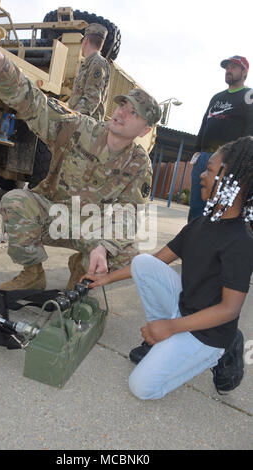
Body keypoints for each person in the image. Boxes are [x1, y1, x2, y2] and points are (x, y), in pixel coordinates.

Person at [0, 3, 161, 290]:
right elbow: (34, 103)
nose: (122, 112)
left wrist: (103, 246)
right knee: (15, 202)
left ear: (145, 130)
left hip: (90, 228)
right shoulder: (80, 128)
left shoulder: (139, 164)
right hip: (54, 216)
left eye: (134, 113)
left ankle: (82, 271)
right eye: (123, 105)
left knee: (126, 254)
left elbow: (129, 215)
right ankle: (32, 274)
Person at [82, 136, 253, 399]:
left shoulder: (241, 241)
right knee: (143, 263)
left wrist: (170, 327)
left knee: (141, 387)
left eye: (209, 170)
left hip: (209, 334)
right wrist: (106, 279)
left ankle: (222, 352)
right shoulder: (200, 223)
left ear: (234, 181)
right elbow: (158, 260)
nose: (201, 176)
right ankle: (164, 342)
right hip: (184, 310)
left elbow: (229, 309)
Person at [189, 55, 253, 222]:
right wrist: (197, 150)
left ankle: (214, 245)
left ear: (244, 72)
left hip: (227, 161)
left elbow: (250, 129)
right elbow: (205, 123)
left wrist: (238, 158)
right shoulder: (217, 97)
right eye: (227, 67)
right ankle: (192, 242)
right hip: (203, 157)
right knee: (196, 205)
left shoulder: (249, 96)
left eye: (233, 67)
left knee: (220, 208)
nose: (228, 70)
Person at [68, 23, 111, 122]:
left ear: (86, 40)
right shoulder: (90, 63)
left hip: (86, 127)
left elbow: (92, 97)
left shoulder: (97, 63)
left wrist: (73, 120)